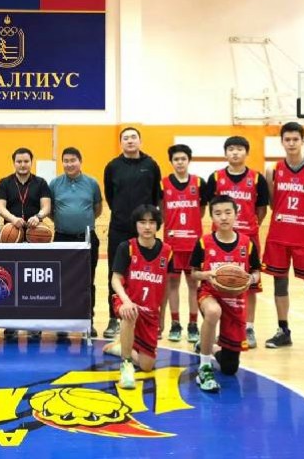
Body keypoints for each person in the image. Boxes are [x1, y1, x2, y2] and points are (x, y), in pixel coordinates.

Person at [262, 122, 304, 361]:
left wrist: (302, 218)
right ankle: (284, 331)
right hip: (279, 236)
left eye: (295, 139)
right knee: (279, 285)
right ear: (282, 141)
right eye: (287, 139)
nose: (291, 143)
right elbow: (273, 203)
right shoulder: (273, 170)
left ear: (303, 141)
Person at [190, 195, 260, 393]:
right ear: (212, 217)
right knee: (213, 312)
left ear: (236, 214)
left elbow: (256, 272)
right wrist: (206, 275)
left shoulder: (248, 244)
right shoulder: (203, 243)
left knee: (230, 368)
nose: (223, 217)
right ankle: (204, 367)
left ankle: (207, 345)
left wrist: (250, 279)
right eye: (218, 213)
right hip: (209, 293)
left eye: (228, 212)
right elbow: (193, 273)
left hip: (235, 300)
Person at [204, 136, 269, 348]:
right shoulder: (215, 177)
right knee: (219, 282)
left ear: (246, 153)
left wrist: (249, 227)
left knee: (249, 284)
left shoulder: (257, 179)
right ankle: (219, 329)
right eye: (231, 149)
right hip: (219, 240)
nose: (235, 152)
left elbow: (261, 210)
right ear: (225, 153)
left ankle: (248, 327)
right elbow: (210, 207)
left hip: (247, 239)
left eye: (239, 149)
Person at [102, 205, 171, 389]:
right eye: (142, 222)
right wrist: (126, 300)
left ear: (158, 225)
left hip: (150, 310)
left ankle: (121, 347)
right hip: (127, 301)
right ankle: (126, 365)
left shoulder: (167, 252)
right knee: (129, 312)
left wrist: (162, 315)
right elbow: (115, 279)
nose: (147, 227)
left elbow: (165, 288)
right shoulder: (127, 248)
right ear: (136, 225)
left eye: (151, 222)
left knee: (147, 365)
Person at [103, 127, 162, 339]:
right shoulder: (112, 166)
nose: (130, 141)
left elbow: (156, 196)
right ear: (121, 143)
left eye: (133, 137)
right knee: (115, 272)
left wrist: (147, 222)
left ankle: (147, 316)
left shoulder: (151, 165)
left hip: (144, 230)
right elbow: (110, 196)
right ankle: (114, 317)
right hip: (119, 228)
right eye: (125, 138)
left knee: (146, 274)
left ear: (140, 141)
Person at [0, 147, 52, 340]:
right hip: (11, 239)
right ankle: (10, 325)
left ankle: (34, 324)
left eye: (26, 161)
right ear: (14, 163)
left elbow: (46, 205)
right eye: (19, 161)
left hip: (34, 239)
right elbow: (0, 206)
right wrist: (13, 219)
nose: (22, 165)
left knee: (33, 283)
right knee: (9, 281)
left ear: (31, 162)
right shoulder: (4, 182)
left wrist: (39, 216)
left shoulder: (41, 183)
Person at [48, 147, 102, 338]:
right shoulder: (54, 184)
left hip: (86, 239)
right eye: (66, 161)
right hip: (62, 238)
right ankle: (62, 321)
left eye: (73, 160)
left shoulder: (92, 183)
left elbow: (97, 209)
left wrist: (81, 222)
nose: (69, 164)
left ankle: (88, 321)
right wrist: (64, 222)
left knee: (87, 282)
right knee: (62, 281)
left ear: (80, 161)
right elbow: (51, 210)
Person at [161, 144, 206, 344]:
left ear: (189, 160)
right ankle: (175, 323)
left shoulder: (199, 182)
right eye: (176, 159)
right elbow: (163, 210)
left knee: (193, 284)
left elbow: (201, 210)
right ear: (171, 162)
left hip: (193, 245)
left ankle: (193, 324)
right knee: (173, 284)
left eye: (183, 159)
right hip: (172, 244)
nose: (180, 162)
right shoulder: (163, 184)